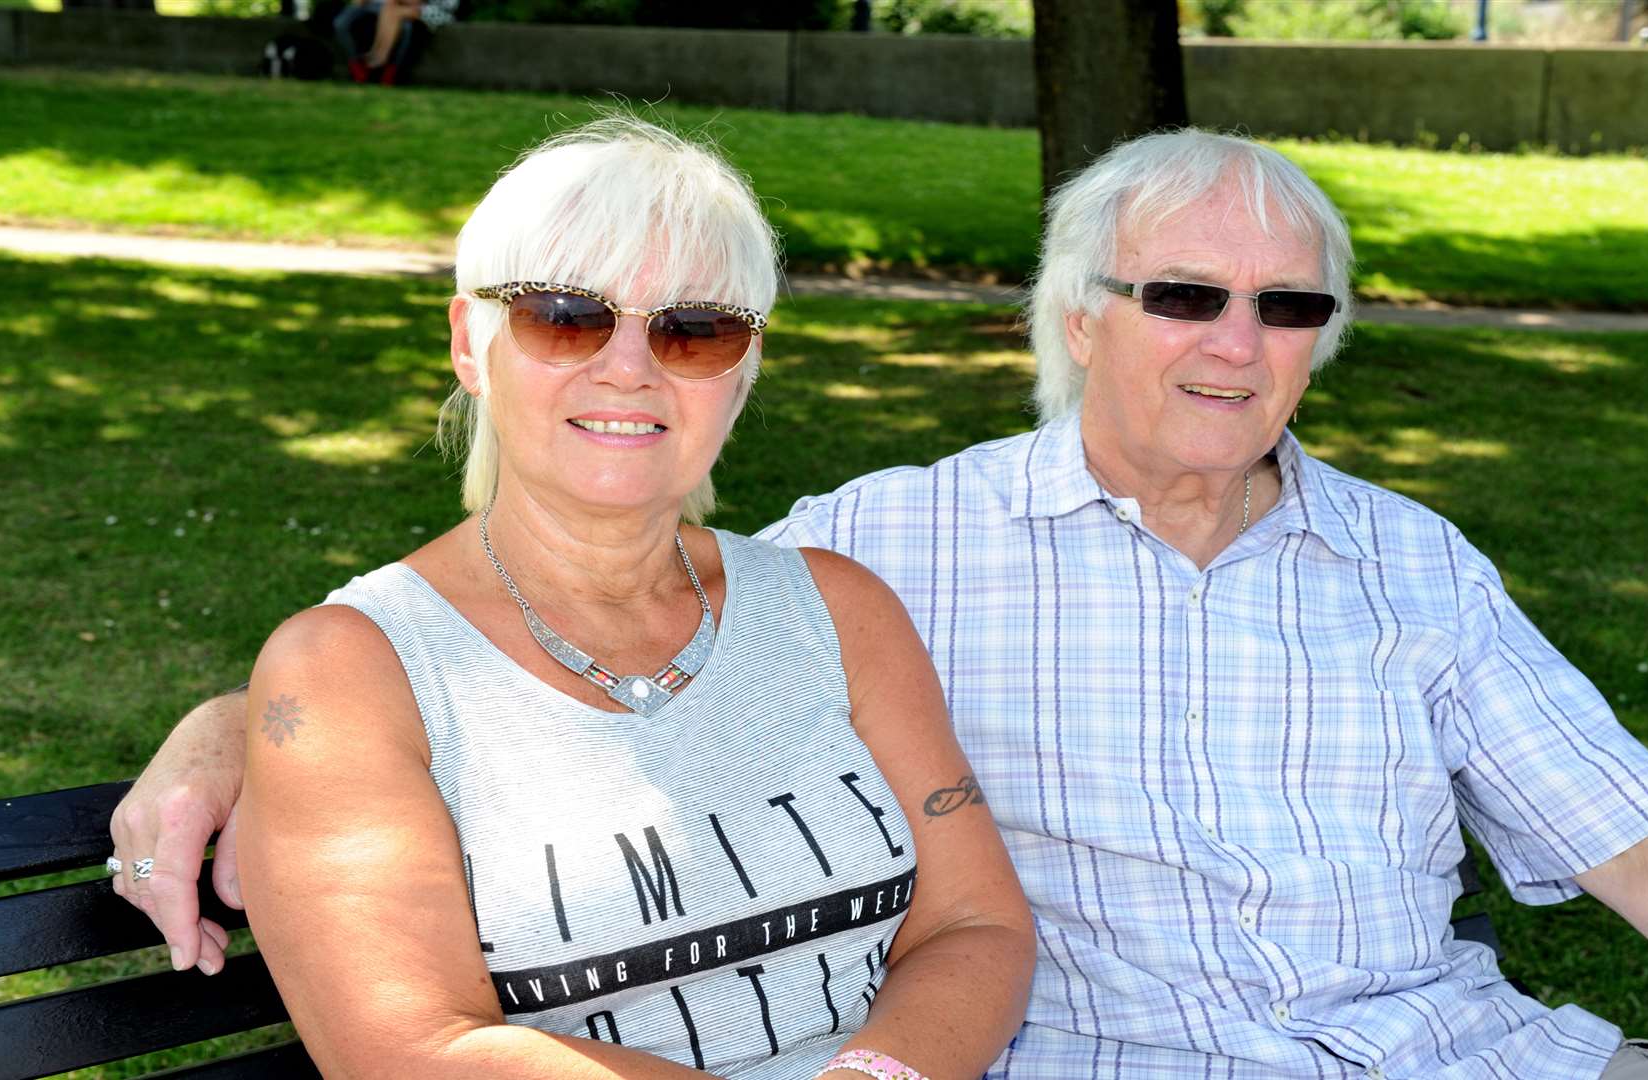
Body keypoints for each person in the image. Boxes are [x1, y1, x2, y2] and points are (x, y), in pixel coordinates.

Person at [111, 128, 1648, 1079]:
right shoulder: (901, 545)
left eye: (1291, 306)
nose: (1239, 345)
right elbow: (558, 578)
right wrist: (236, 723)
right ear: (1078, 316)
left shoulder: (1415, 566)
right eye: (1184, 291)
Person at [111, 116, 1035, 1079]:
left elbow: (975, 925)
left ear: (745, 371)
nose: (628, 367)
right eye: (565, 314)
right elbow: (413, 1053)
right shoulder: (350, 674)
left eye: (695, 330)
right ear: (472, 344)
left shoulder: (836, 609)